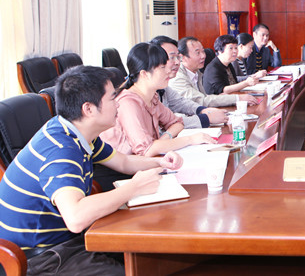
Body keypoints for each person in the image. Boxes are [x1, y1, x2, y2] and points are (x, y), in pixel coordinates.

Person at [0, 66, 183, 275]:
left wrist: (161, 163)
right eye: (113, 98)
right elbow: (76, 217)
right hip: (42, 257)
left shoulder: (77, 133)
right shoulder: (61, 149)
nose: (119, 103)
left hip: (68, 241)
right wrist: (134, 188)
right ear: (88, 109)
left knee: (152, 255)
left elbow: (123, 162)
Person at [100, 43, 216, 158]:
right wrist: (190, 139)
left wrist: (163, 139)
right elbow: (146, 150)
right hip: (126, 167)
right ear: (144, 74)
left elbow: (177, 123)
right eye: (162, 67)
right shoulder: (128, 103)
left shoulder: (152, 97)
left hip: (148, 161)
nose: (168, 71)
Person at [150, 35, 227, 128]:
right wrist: (207, 118)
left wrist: (203, 110)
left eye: (177, 57)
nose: (177, 62)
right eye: (172, 57)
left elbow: (181, 102)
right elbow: (167, 122)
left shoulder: (163, 86)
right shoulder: (142, 95)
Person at [169, 36, 257, 107]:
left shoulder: (197, 73)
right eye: (198, 53)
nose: (203, 56)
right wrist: (237, 98)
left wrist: (221, 98)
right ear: (182, 57)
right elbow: (200, 100)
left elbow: (204, 97)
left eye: (203, 51)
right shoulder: (177, 77)